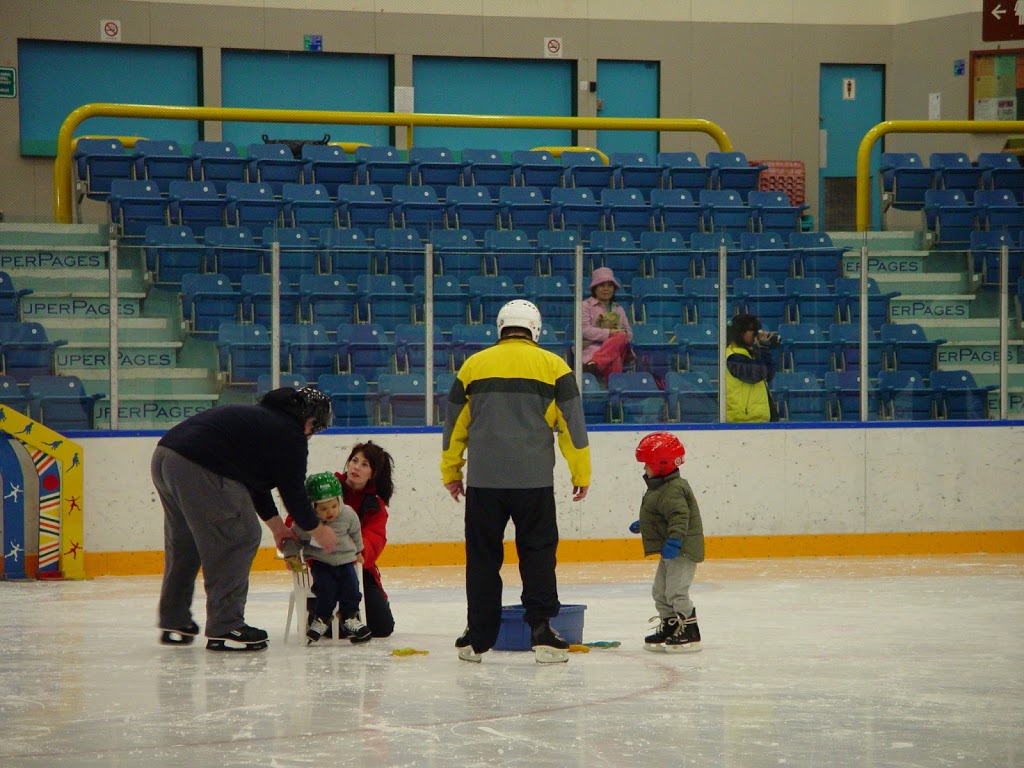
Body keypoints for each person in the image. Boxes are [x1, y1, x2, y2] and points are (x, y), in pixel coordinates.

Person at [441, 299, 591, 665]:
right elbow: (572, 427)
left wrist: (451, 472)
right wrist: (580, 473)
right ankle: (541, 632)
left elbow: (454, 427)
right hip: (533, 483)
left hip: (484, 483)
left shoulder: (473, 366)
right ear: (535, 329)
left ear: (501, 327)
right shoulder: (554, 366)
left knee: (481, 559)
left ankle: (477, 639)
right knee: (538, 554)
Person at [152, 386, 335, 652]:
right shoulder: (289, 434)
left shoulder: (263, 420)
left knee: (187, 542)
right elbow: (293, 492)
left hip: (167, 457)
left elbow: (253, 483)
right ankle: (226, 626)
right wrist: (318, 529)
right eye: (315, 427)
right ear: (309, 420)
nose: (311, 433)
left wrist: (276, 527)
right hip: (200, 465)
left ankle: (174, 618)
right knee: (238, 537)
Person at [629, 431, 704, 652]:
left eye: (647, 464)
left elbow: (680, 517)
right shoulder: (661, 487)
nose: (644, 469)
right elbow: (661, 513)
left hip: (681, 550)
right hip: (670, 548)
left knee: (676, 592)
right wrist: (645, 523)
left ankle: (690, 630)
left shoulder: (673, 489)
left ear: (661, 464)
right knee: (660, 591)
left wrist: (674, 542)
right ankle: (671, 625)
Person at [282, 471, 371, 646]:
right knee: (325, 590)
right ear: (313, 506)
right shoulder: (306, 522)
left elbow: (355, 533)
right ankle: (321, 618)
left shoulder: (348, 514)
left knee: (352, 589)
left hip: (345, 561)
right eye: (323, 508)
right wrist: (291, 555)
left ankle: (350, 617)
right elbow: (295, 539)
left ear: (340, 500)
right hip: (321, 563)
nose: (330, 512)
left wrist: (359, 551)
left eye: (334, 506)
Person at [334, 441, 397, 638]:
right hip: (322, 566)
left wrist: (359, 554)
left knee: (382, 627)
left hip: (359, 568)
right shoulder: (328, 489)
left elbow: (374, 538)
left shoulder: (375, 506)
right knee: (331, 629)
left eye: (364, 464)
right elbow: (299, 517)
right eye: (354, 460)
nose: (356, 467)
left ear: (373, 473)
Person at [580, 266, 634, 383]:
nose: (606, 289)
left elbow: (629, 334)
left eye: (609, 286)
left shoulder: (618, 309)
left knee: (621, 336)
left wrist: (618, 334)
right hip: (592, 348)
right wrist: (610, 333)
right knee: (615, 359)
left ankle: (596, 362)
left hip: (607, 353)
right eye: (602, 285)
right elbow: (584, 330)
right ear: (595, 288)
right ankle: (615, 396)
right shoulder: (585, 306)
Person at [724, 313, 781, 423]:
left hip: (756, 418)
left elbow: (768, 374)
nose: (756, 334)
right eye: (752, 330)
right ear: (740, 333)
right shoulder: (733, 356)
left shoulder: (750, 353)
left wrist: (763, 349)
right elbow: (755, 376)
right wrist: (762, 348)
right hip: (742, 419)